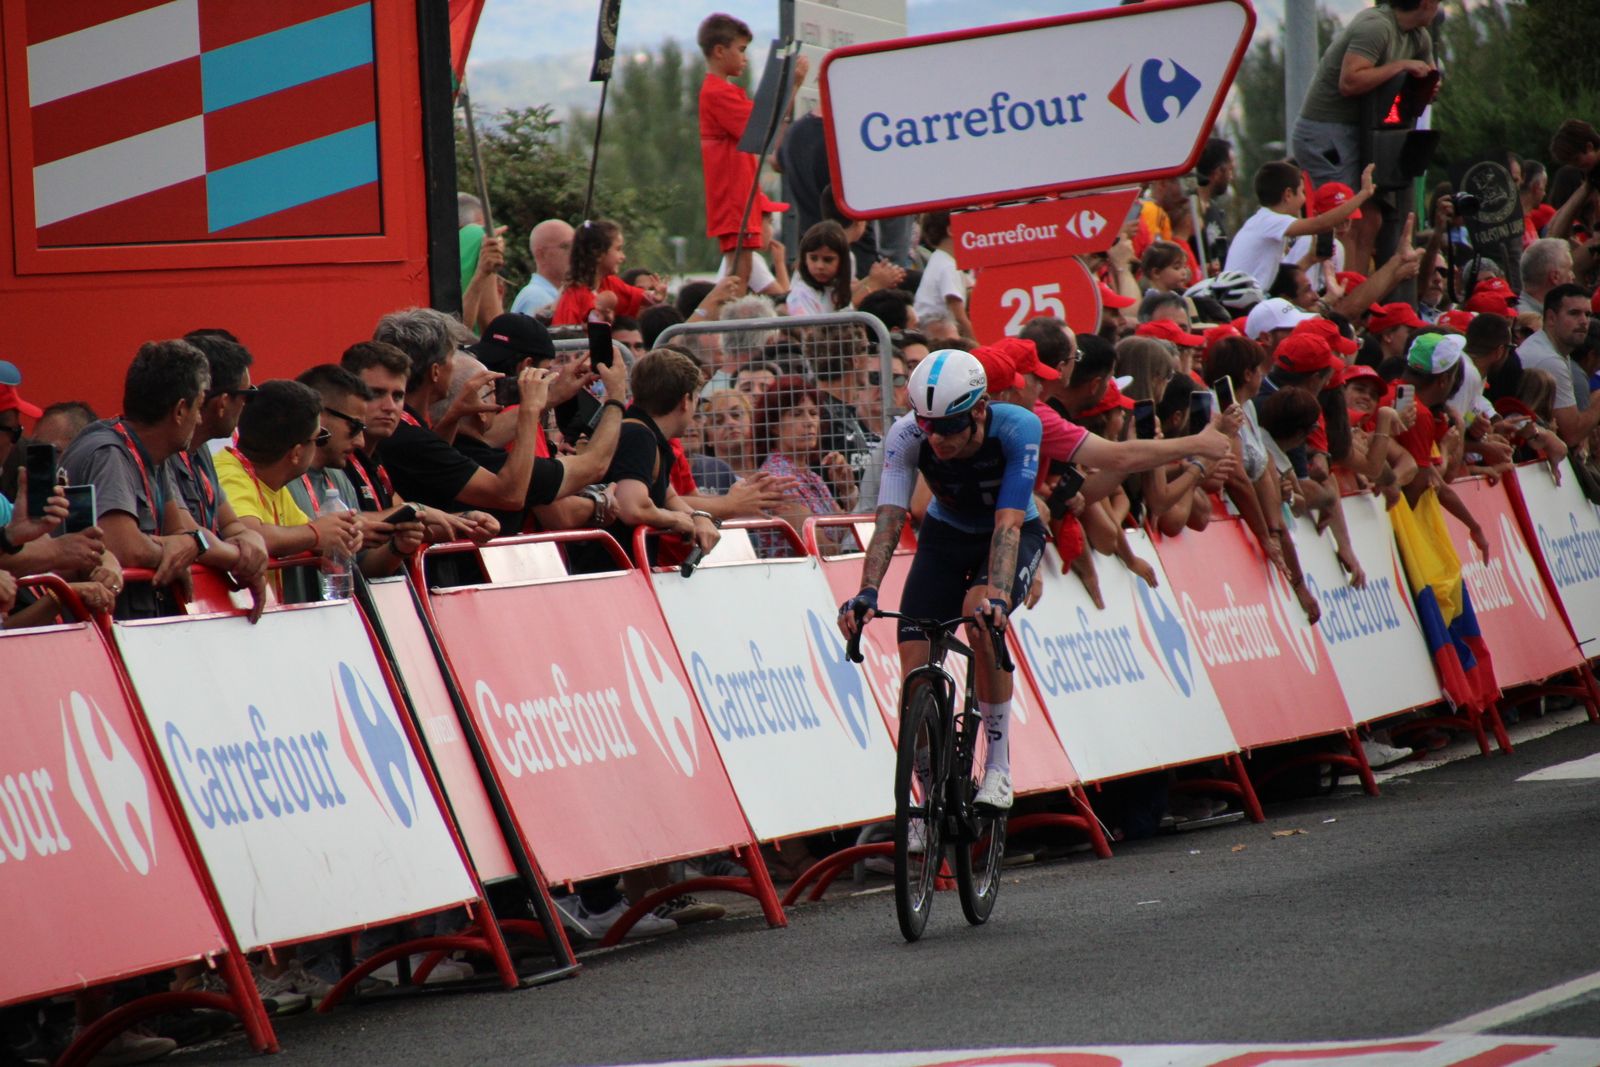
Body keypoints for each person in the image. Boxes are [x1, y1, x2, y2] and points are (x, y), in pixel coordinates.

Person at [838, 349, 1231, 810]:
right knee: (914, 668)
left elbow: (1007, 524)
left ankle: (999, 767)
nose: (937, 440)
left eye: (948, 428)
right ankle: (925, 800)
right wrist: (866, 591)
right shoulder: (907, 435)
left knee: (978, 616)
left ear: (980, 409)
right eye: (928, 426)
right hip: (947, 534)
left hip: (1011, 530)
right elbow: (889, 518)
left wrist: (999, 600)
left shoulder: (1018, 427)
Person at [61, 340, 265, 618]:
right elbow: (126, 548)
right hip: (94, 633)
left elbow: (182, 533)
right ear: (181, 410)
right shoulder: (109, 454)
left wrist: (188, 545)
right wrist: (179, 548)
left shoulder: (158, 455)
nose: (199, 419)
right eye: (199, 407)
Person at [697, 12, 807, 285]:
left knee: (742, 271)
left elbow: (764, 123)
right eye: (741, 50)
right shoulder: (718, 92)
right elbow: (764, 126)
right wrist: (792, 83)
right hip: (734, 195)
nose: (745, 57)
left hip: (740, 193)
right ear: (720, 51)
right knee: (739, 275)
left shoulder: (725, 91)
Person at [1291, 0, 1440, 190]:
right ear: (1426, 3)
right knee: (1342, 207)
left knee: (1373, 215)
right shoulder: (1376, 27)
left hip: (1368, 131)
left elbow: (1431, 76)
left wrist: (1430, 87)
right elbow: (1349, 82)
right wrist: (1401, 65)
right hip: (1327, 130)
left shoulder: (1418, 36)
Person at [1225, 161, 1376, 291]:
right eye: (1302, 192)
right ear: (1288, 194)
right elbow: (1321, 224)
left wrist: (1310, 259)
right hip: (1242, 308)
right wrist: (1363, 194)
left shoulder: (1264, 221)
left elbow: (1279, 286)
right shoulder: (1269, 220)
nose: (1305, 199)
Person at [1516, 283, 1599, 446]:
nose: (1584, 321)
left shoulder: (1552, 347)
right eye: (1574, 313)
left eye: (1588, 314)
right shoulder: (1548, 360)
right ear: (1551, 318)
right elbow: (1572, 434)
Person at [550, 219, 665, 326]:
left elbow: (636, 297)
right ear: (597, 252)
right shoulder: (573, 298)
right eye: (618, 249)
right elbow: (566, 339)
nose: (623, 257)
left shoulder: (610, 283)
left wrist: (655, 296)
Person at [913, 210, 973, 338]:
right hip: (934, 334)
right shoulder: (948, 266)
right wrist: (979, 346)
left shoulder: (939, 259)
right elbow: (960, 318)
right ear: (951, 230)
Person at [787, 221, 853, 318]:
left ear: (842, 261)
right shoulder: (801, 294)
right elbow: (808, 331)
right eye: (813, 258)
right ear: (804, 259)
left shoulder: (839, 291)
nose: (820, 266)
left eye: (828, 260)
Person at [510, 219, 575, 318]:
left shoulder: (549, 295)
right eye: (566, 246)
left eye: (576, 246)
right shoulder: (536, 298)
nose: (575, 253)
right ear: (541, 254)